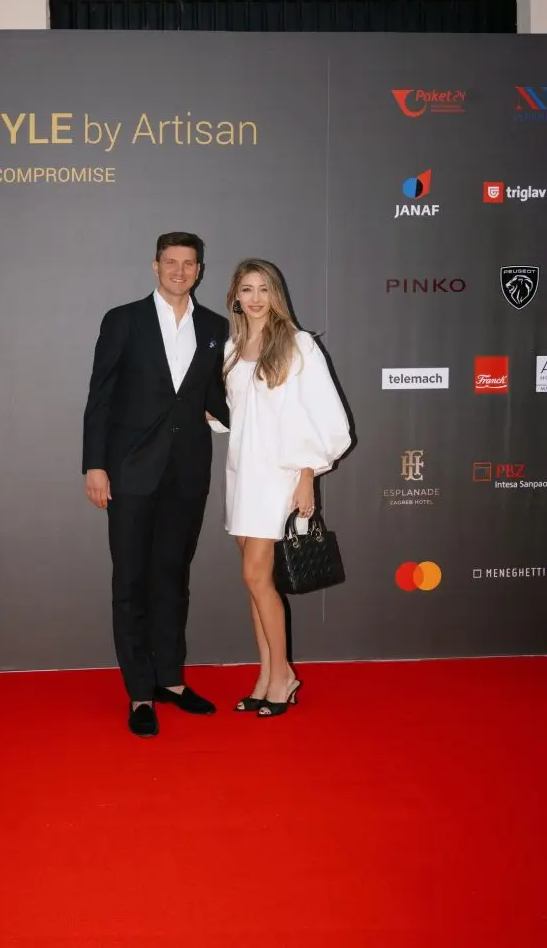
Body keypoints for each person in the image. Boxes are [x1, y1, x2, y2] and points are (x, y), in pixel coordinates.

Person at [82, 232, 230, 738]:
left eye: (189, 264)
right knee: (131, 582)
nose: (179, 271)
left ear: (199, 271)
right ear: (155, 266)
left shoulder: (215, 327)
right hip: (129, 472)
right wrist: (95, 465)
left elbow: (216, 395)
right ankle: (140, 692)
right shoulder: (123, 320)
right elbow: (100, 397)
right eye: (171, 262)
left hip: (187, 473)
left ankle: (171, 679)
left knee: (173, 579)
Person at [208, 259, 351, 717]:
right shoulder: (231, 348)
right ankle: (266, 675)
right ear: (235, 296)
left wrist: (308, 474)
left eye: (263, 289)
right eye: (246, 289)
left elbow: (327, 416)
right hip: (242, 474)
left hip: (279, 477)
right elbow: (232, 415)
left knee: (256, 577)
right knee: (257, 584)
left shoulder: (298, 344)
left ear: (276, 295)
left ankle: (283, 675)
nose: (255, 298)